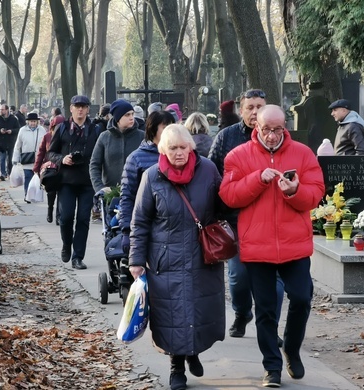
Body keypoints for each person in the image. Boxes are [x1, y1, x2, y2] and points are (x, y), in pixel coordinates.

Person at [219, 104, 325, 387]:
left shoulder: (303, 153)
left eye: (277, 129)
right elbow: (228, 196)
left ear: (285, 127)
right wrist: (256, 179)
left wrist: (295, 191)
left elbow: (316, 193)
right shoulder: (238, 156)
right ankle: (272, 367)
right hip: (257, 246)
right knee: (265, 310)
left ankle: (291, 348)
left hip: (295, 245)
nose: (271, 135)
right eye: (266, 129)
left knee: (301, 298)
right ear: (256, 126)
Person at [129, 124, 225, 390]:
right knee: (171, 315)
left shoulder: (208, 170)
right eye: (173, 148)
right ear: (163, 149)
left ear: (191, 147)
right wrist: (136, 260)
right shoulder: (152, 176)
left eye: (183, 147)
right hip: (165, 259)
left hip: (202, 255)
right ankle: (176, 368)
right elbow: (140, 221)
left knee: (198, 308)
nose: (179, 153)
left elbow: (224, 206)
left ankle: (193, 351)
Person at [209, 89, 284, 339]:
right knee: (239, 277)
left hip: (272, 219)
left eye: (259, 106)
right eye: (249, 107)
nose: (254, 112)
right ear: (241, 110)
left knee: (275, 281)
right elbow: (212, 174)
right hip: (236, 219)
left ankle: (271, 325)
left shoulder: (279, 138)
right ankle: (242, 312)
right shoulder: (226, 138)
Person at [48, 95, 100, 270]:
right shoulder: (62, 128)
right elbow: (50, 153)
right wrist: (63, 159)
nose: (80, 110)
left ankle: (78, 257)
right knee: (66, 217)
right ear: (71, 108)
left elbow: (100, 154)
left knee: (84, 219)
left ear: (87, 109)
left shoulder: (95, 129)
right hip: (66, 181)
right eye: (77, 106)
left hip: (87, 181)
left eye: (83, 107)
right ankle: (66, 244)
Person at [119, 110, 176, 253]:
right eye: (165, 127)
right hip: (147, 223)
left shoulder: (180, 155)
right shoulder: (136, 158)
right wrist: (127, 231)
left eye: (172, 126)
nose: (171, 131)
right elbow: (127, 196)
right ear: (153, 129)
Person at [89, 98, 144, 193]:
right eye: (127, 115)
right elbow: (94, 164)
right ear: (117, 118)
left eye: (132, 114)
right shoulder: (104, 137)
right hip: (110, 193)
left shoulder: (142, 136)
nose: (131, 118)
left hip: (137, 193)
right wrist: (99, 188)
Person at [34, 115, 66, 224]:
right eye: (57, 126)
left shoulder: (66, 136)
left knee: (61, 193)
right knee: (51, 192)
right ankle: (50, 210)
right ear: (52, 126)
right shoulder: (47, 136)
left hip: (62, 168)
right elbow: (41, 152)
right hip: (50, 169)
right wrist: (37, 168)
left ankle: (59, 216)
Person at [12, 112, 46, 203]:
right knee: (28, 177)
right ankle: (27, 194)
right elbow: (18, 145)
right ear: (27, 122)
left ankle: (35, 195)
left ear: (37, 122)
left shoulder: (42, 130)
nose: (33, 123)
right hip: (27, 159)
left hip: (39, 159)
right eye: (31, 121)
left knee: (37, 177)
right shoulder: (22, 130)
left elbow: (46, 144)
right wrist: (15, 158)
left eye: (34, 121)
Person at [0, 104, 20, 181]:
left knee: (10, 158)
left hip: (11, 141)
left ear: (7, 110)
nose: (0, 111)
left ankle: (10, 173)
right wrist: (0, 131)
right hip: (1, 142)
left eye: (2, 109)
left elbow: (18, 129)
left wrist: (11, 131)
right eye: (0, 109)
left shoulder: (13, 119)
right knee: (2, 158)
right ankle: (3, 173)